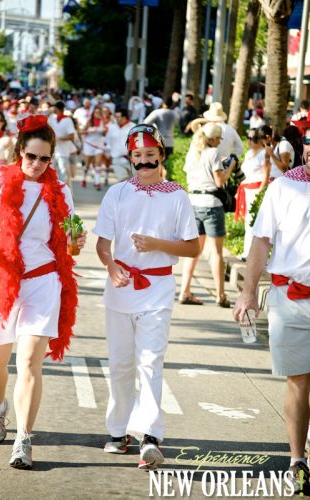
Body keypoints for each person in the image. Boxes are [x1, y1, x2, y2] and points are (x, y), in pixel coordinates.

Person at [0, 114, 86, 470]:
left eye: (45, 159)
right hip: (1, 279)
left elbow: (72, 239)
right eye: (31, 157)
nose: (38, 165)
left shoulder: (60, 190)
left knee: (28, 361)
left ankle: (24, 438)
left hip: (42, 281)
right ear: (19, 152)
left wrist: (76, 242)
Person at [92, 124, 199, 470]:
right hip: (120, 290)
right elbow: (102, 243)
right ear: (131, 158)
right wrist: (111, 268)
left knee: (150, 361)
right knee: (121, 364)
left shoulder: (177, 195)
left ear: (161, 156)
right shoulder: (117, 193)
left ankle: (150, 436)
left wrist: (156, 245)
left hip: (157, 290)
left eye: (150, 156)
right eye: (137, 156)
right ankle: (118, 429)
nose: (143, 162)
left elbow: (192, 246)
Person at [233, 144, 310, 494]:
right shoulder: (283, 186)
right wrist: (248, 292)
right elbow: (261, 241)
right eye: (309, 145)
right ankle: (298, 460)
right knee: (299, 380)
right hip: (291, 296)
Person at [179, 122, 236, 307]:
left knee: (193, 250)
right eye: (219, 138)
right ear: (213, 139)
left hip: (193, 203)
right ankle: (220, 295)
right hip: (211, 204)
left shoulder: (192, 152)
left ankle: (184, 291)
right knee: (217, 252)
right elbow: (220, 182)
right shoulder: (213, 153)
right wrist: (231, 168)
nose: (220, 142)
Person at [234, 129, 269, 260]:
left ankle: (251, 254)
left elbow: (266, 175)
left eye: (253, 138)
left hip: (256, 190)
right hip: (246, 189)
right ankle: (246, 252)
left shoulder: (263, 154)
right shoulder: (249, 153)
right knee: (247, 222)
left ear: (260, 140)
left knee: (252, 223)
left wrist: (260, 192)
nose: (249, 141)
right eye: (248, 138)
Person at [49, 100, 77, 188]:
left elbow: (72, 136)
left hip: (64, 151)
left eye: (54, 107)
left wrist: (59, 139)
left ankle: (65, 194)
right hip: (52, 151)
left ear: (57, 108)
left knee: (63, 174)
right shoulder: (51, 118)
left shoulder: (67, 120)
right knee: (51, 173)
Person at [105, 108, 135, 182]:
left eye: (119, 117)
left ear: (124, 117)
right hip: (117, 159)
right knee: (123, 181)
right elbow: (108, 142)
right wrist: (107, 152)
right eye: (116, 117)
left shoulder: (133, 127)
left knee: (135, 183)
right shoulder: (112, 127)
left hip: (132, 160)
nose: (117, 119)